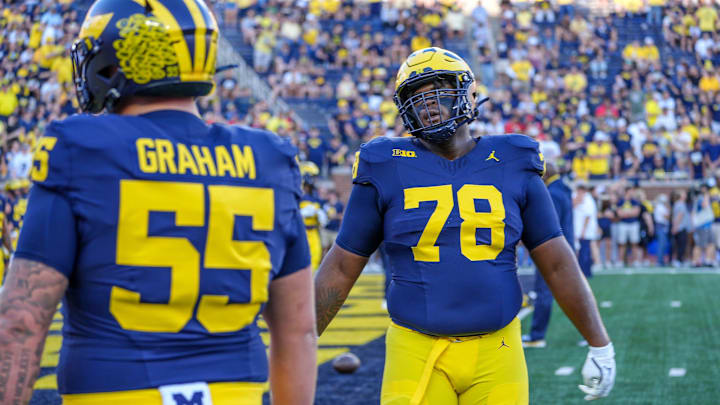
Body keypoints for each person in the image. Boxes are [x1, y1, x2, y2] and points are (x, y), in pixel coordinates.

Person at [0, 1, 317, 403]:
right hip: (235, 391)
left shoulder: (82, 149)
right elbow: (297, 330)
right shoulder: (270, 158)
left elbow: (21, 323)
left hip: (115, 391)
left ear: (114, 61)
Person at [314, 47, 615, 404]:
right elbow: (343, 264)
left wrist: (600, 343)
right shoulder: (384, 163)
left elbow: (556, 259)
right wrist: (299, 342)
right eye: (416, 95)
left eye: (437, 88)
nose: (427, 102)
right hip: (414, 346)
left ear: (468, 94)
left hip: (498, 347)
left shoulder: (514, 159)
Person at [523, 161, 574, 348]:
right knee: (573, 292)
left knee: (544, 291)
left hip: (553, 251)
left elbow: (549, 226)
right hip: (566, 249)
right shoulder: (563, 189)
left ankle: (537, 335)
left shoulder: (552, 193)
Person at [574, 183, 598, 277]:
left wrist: (583, 231)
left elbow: (588, 216)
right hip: (580, 231)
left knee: (584, 252)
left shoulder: (588, 200)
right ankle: (584, 271)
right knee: (582, 252)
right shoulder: (579, 198)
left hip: (585, 232)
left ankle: (585, 272)